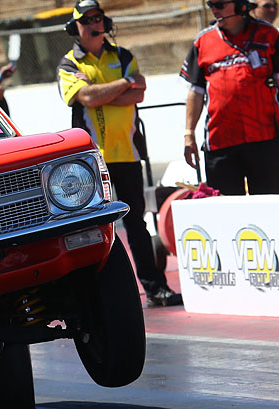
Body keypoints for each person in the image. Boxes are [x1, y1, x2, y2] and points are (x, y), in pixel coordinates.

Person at [57, 0, 182, 307]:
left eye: (98, 18)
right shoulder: (68, 64)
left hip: (127, 153)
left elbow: (138, 93)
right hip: (91, 159)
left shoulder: (123, 55)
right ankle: (94, 297)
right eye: (87, 20)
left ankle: (155, 288)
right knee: (92, 228)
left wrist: (103, 92)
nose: (94, 24)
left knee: (137, 223)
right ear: (75, 27)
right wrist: (123, 85)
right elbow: (86, 97)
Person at [181, 0, 279, 195]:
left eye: (219, 5)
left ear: (241, 5)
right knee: (225, 205)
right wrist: (188, 134)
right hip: (220, 142)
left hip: (264, 139)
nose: (214, 10)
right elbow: (196, 92)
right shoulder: (203, 41)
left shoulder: (269, 35)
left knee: (269, 204)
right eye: (210, 5)